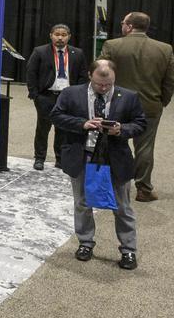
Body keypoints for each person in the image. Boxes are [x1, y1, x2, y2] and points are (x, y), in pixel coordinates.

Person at [51, 58, 146, 269]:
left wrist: (121, 130)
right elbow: (56, 116)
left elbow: (140, 124)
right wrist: (82, 124)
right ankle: (85, 243)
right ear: (89, 76)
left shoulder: (129, 96)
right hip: (82, 156)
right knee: (82, 204)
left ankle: (128, 250)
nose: (103, 88)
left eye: (108, 84)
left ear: (115, 78)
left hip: (115, 158)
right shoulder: (71, 93)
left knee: (122, 207)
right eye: (99, 84)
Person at [100, 12, 174, 202]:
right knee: (145, 148)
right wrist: (161, 102)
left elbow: (101, 74)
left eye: (123, 23)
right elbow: (169, 82)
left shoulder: (112, 45)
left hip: (117, 104)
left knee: (112, 143)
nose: (122, 26)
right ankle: (144, 189)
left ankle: (110, 184)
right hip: (150, 105)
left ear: (130, 26)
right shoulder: (165, 49)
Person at [26, 24, 87, 170]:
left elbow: (82, 75)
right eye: (57, 34)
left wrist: (78, 94)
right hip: (46, 96)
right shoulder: (40, 51)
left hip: (67, 97)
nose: (60, 38)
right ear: (51, 35)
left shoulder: (77, 53)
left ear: (69, 37)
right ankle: (39, 158)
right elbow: (31, 72)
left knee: (63, 128)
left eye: (64, 35)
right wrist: (35, 94)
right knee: (43, 127)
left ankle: (60, 158)